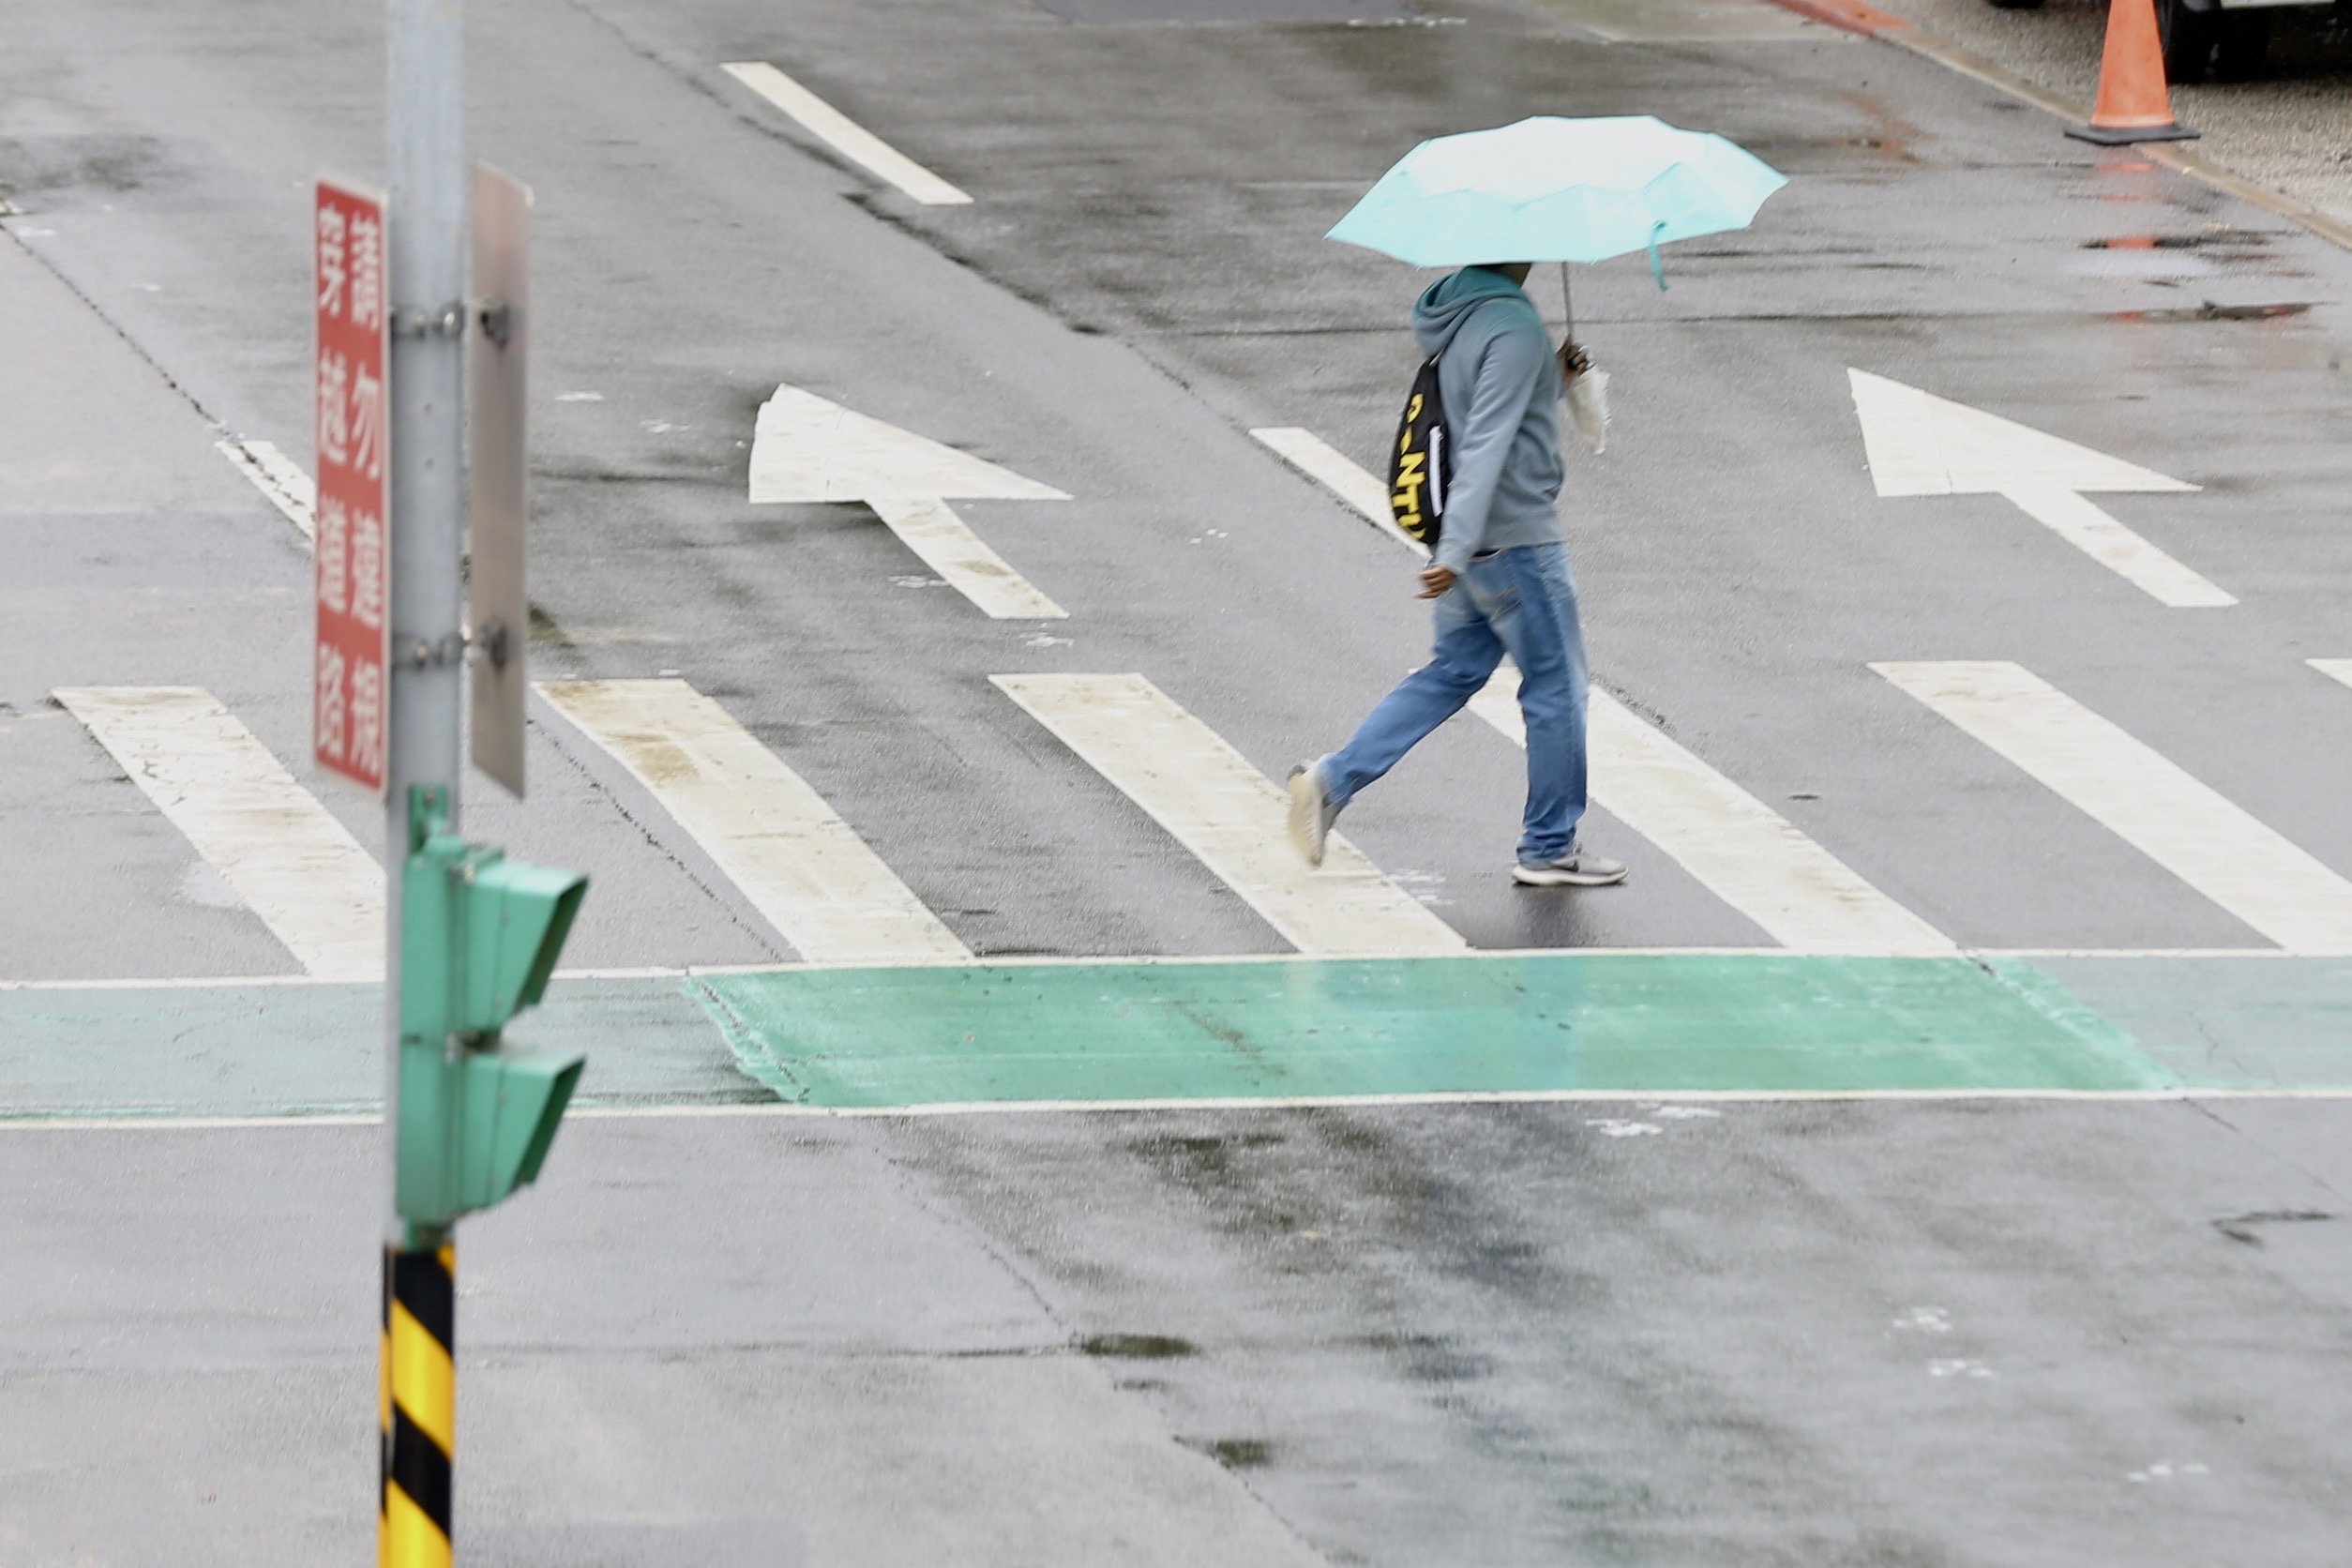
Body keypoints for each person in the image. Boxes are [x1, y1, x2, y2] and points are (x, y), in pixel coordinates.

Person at [1287, 262, 1626, 888]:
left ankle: (1330, 782)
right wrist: (1455, 548)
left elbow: (1481, 409)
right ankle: (1549, 846)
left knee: (1453, 672)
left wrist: (1553, 377)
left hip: (1471, 543)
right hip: (1513, 540)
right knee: (1558, 687)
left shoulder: (1461, 313)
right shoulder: (1513, 324)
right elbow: (1486, 440)